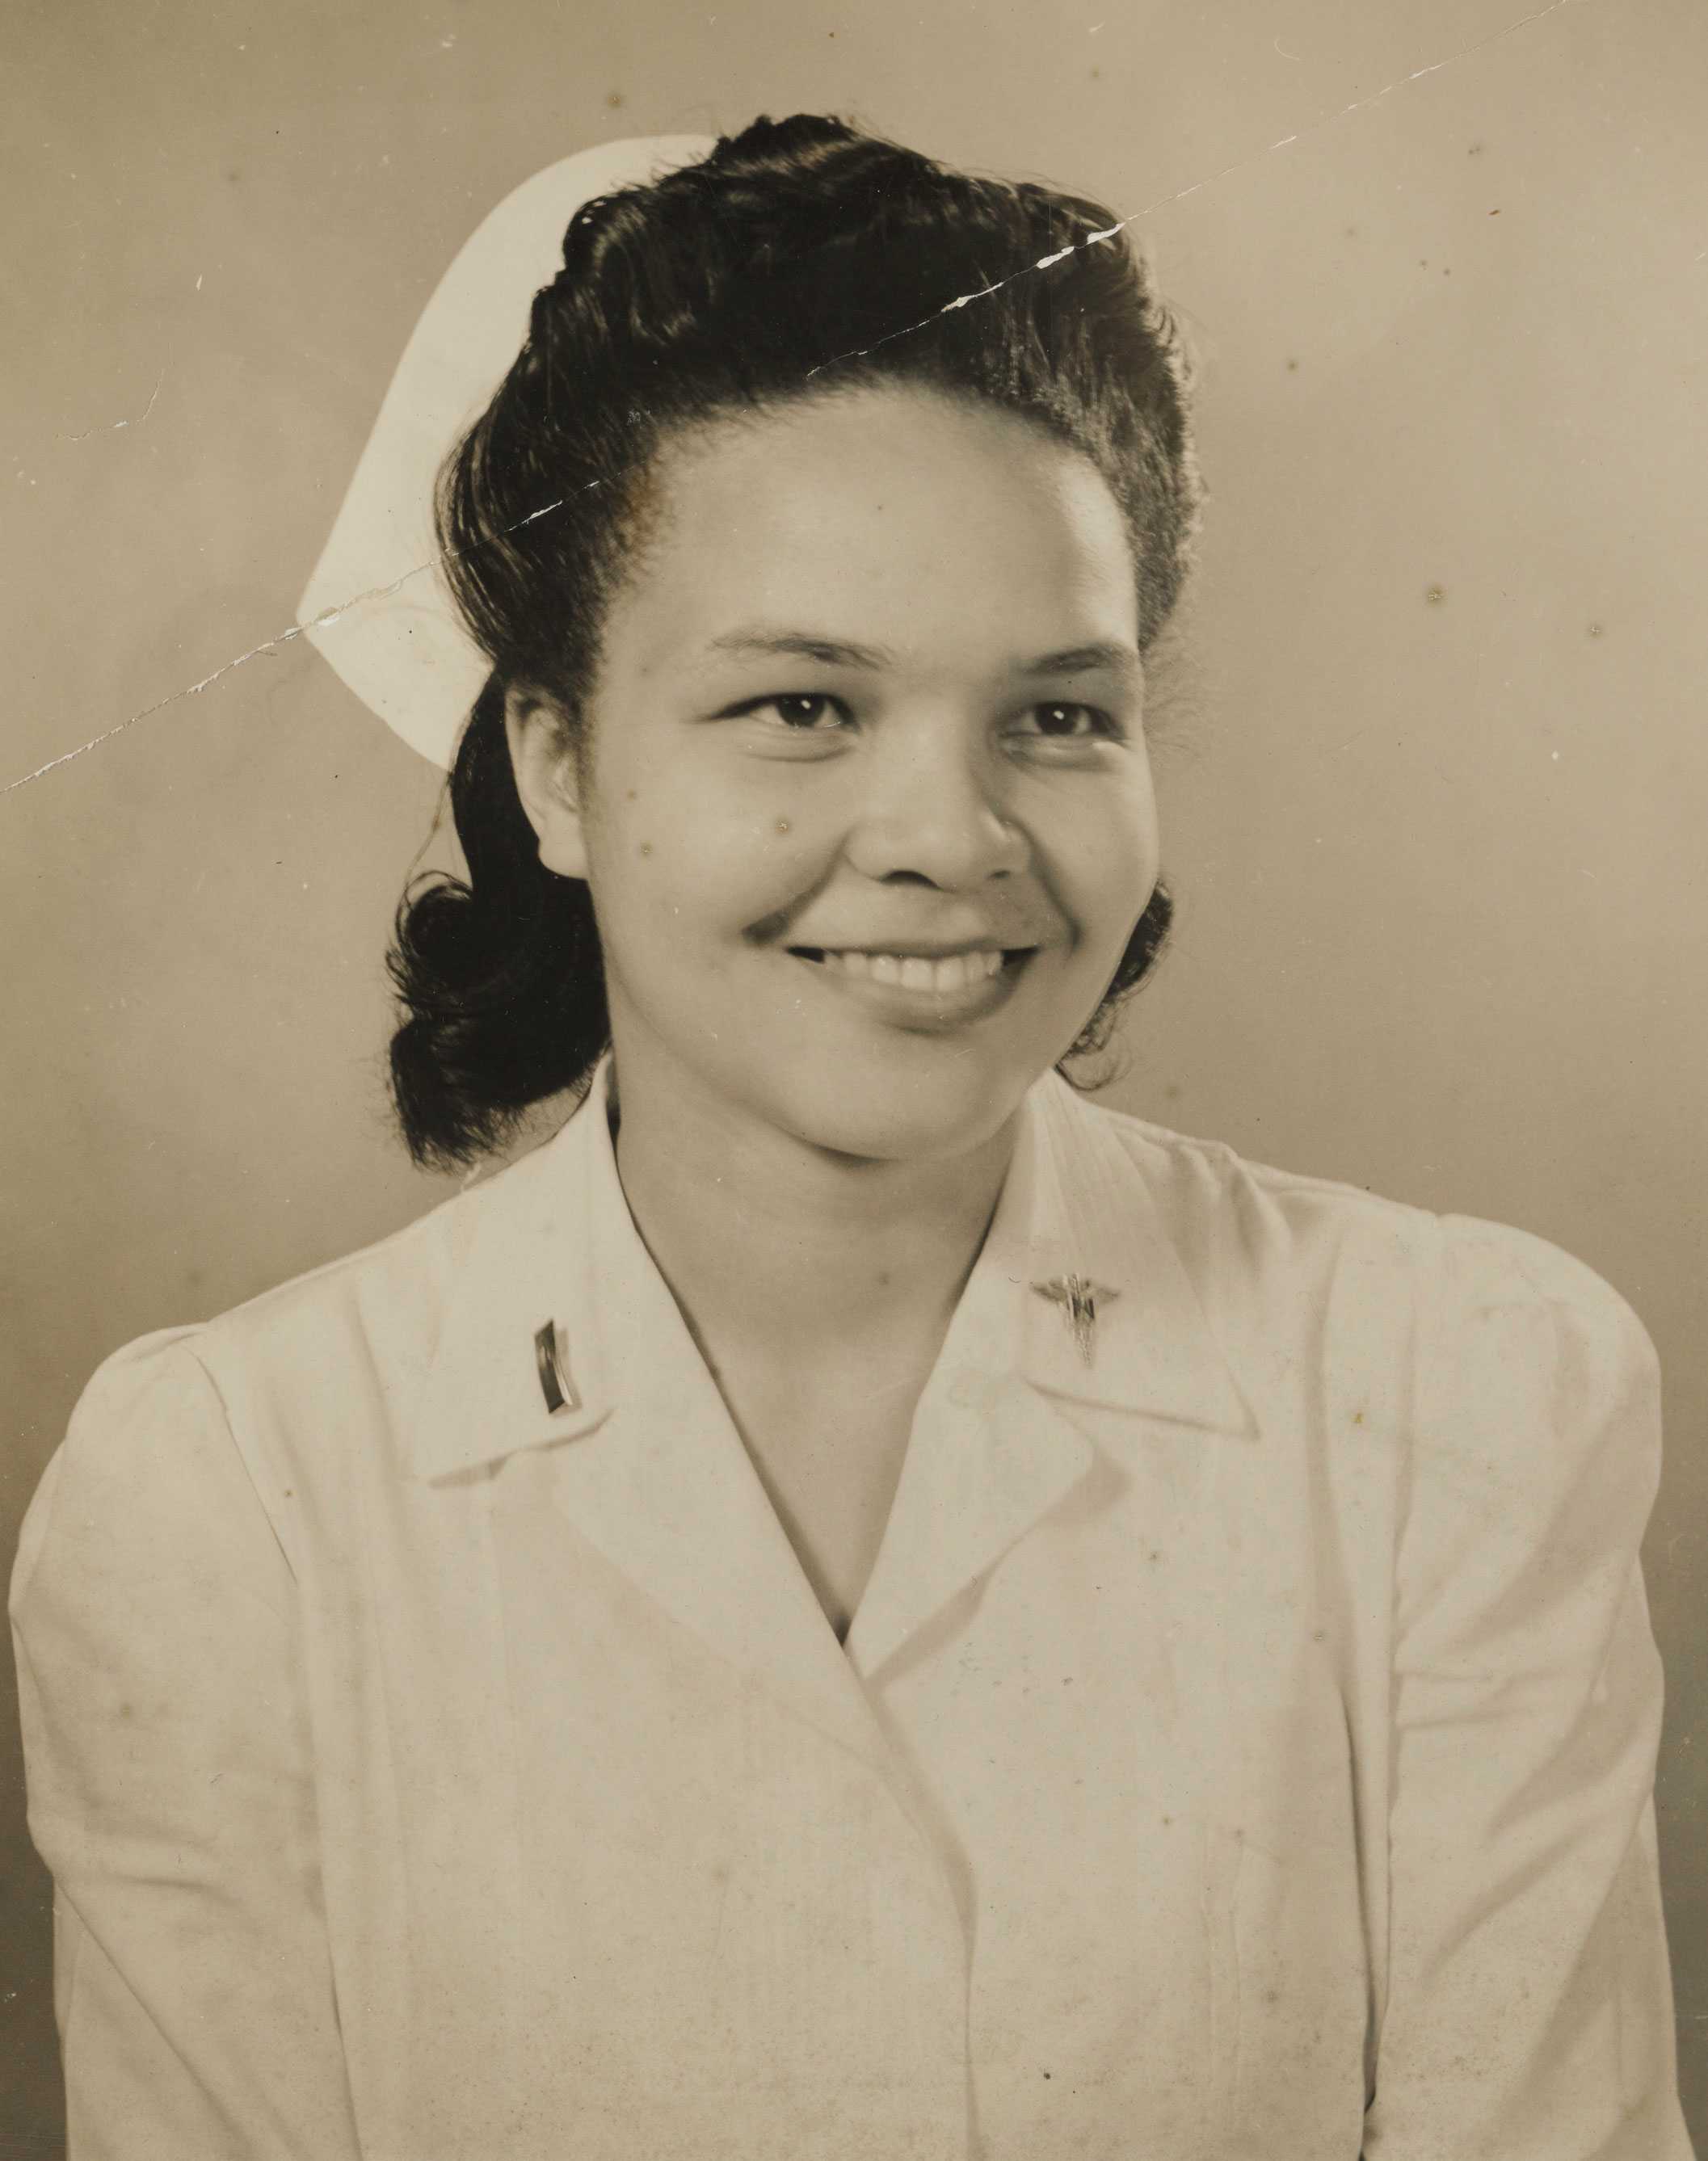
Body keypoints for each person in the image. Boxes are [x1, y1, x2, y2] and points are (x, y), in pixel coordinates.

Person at [10, 115, 1693, 2159]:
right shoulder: (229, 1500)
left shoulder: (1458, 1392)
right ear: (554, 764)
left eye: (1056, 713)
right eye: (803, 706)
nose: (950, 841)